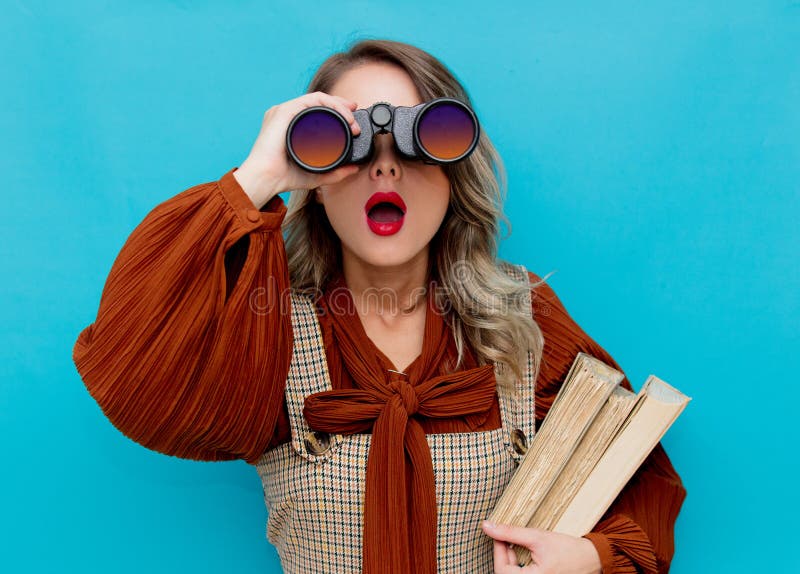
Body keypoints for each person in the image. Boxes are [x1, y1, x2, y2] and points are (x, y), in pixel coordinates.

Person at [72, 39, 686, 574]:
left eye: (423, 140)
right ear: (314, 179)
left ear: (454, 173)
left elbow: (636, 472)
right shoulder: (268, 329)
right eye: (354, 142)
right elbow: (131, 370)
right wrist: (259, 176)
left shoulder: (519, 321)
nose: (386, 164)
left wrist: (591, 558)